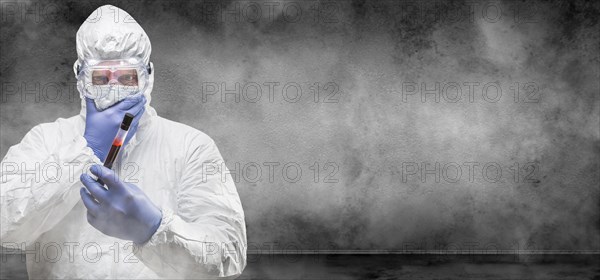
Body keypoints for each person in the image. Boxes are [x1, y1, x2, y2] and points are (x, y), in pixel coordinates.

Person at [0, 5, 247, 279]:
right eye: (101, 78)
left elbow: (229, 253)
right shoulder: (46, 141)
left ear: (148, 76)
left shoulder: (190, 147)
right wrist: (86, 150)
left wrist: (153, 228)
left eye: (127, 77)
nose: (114, 90)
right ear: (80, 76)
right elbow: (5, 229)